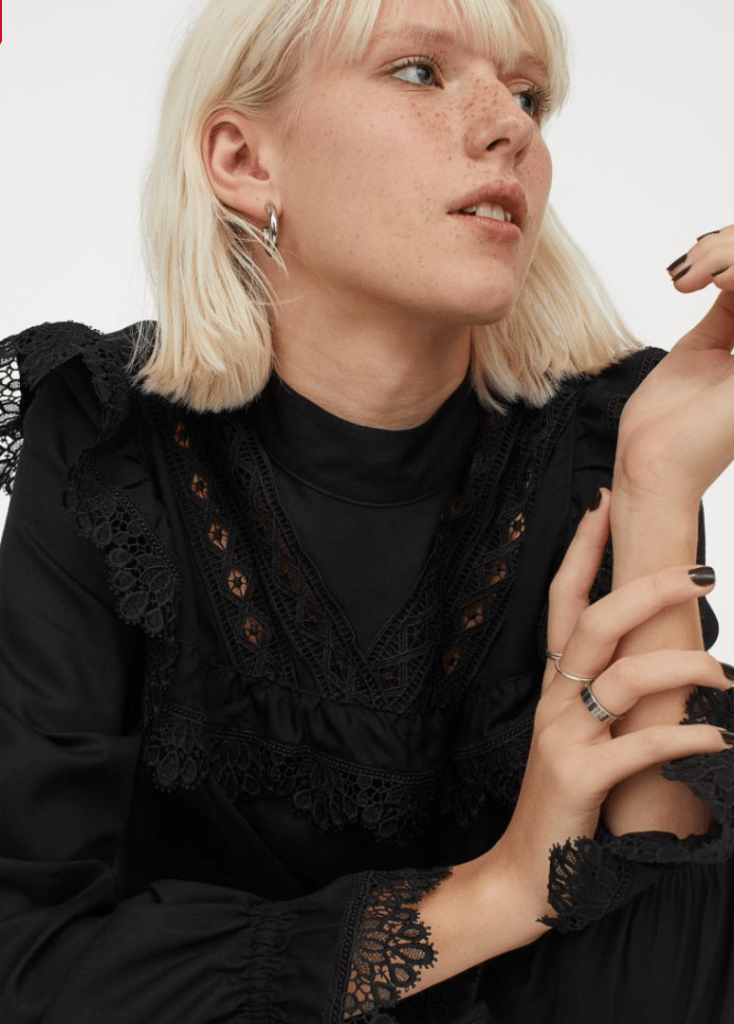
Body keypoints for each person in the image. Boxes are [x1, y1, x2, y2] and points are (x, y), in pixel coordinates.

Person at [1, 0, 733, 1021]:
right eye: (418, 72)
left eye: (528, 95)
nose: (509, 127)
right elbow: (31, 969)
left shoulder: (600, 445)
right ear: (242, 159)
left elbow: (665, 992)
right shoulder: (109, 445)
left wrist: (656, 487)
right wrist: (499, 890)